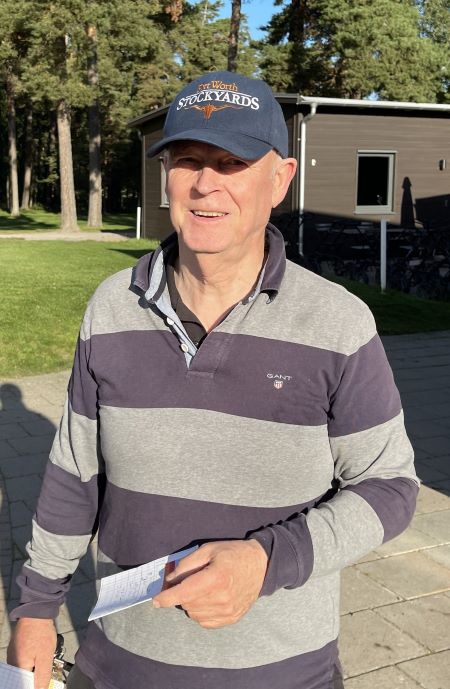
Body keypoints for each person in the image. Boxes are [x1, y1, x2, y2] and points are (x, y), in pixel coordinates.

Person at [8, 71, 418, 689]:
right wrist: (36, 611)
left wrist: (266, 561)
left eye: (232, 163)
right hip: (120, 666)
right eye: (188, 160)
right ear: (166, 174)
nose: (205, 184)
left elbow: (390, 486)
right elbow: (74, 476)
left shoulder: (338, 323)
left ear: (280, 178)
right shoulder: (111, 307)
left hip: (283, 675)